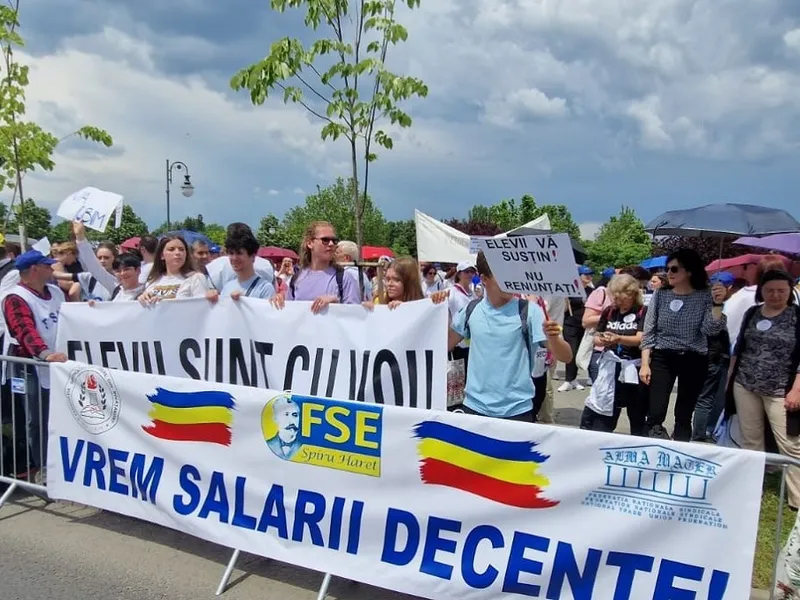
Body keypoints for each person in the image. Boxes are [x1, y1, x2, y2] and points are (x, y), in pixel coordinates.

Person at [447, 251, 572, 421]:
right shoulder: (471, 310)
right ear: (484, 279)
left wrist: (555, 338)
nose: (511, 281)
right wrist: (433, 307)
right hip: (474, 409)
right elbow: (443, 345)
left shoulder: (529, 311)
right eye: (503, 276)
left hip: (517, 411)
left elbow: (566, 357)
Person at [725, 269, 800, 509]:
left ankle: (796, 499)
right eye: (770, 290)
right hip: (746, 384)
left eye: (781, 290)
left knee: (790, 443)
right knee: (751, 439)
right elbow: (739, 348)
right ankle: (751, 487)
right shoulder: (752, 313)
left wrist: (797, 390)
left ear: (790, 292)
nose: (776, 295)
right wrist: (729, 379)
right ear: (761, 291)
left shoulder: (797, 316)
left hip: (781, 390)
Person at [640, 248, 727, 440]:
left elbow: (710, 330)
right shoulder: (661, 294)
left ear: (689, 271)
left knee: (683, 414)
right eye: (668, 269)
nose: (668, 273)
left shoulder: (705, 296)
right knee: (655, 410)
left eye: (674, 269)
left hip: (693, 357)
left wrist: (717, 305)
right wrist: (645, 363)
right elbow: (649, 330)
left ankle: (680, 450)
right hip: (663, 356)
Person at [0, 250, 68, 479]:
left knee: (60, 415)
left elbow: (73, 317)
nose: (52, 269)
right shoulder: (15, 298)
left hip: (59, 364)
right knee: (36, 418)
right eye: (47, 266)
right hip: (28, 367)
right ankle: (44, 470)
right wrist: (44, 353)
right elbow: (23, 331)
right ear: (35, 269)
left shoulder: (56, 292)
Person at [580, 274, 648, 435]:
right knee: (605, 408)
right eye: (614, 298)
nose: (617, 303)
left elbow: (641, 338)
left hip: (634, 366)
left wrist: (619, 339)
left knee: (637, 412)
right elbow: (596, 337)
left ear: (632, 295)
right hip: (611, 366)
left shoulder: (642, 311)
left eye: (621, 299)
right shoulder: (609, 311)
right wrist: (602, 340)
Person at [274, 221, 360, 312]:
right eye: (325, 240)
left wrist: (336, 303)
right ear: (310, 243)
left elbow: (354, 316)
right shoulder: (296, 278)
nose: (331, 244)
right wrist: (278, 300)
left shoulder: (344, 278)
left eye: (334, 241)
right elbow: (288, 313)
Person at [691, 271, 735, 441]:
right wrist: (717, 304)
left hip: (700, 355)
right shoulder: (715, 305)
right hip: (710, 356)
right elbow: (714, 327)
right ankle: (699, 434)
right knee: (705, 398)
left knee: (697, 397)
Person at [206, 223, 275, 291]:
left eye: (239, 253)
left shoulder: (216, 267)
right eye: (231, 253)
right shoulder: (265, 266)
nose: (234, 258)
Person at [138, 235, 206, 303]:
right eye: (171, 249)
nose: (178, 253)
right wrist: (143, 298)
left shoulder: (196, 278)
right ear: (161, 255)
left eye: (181, 249)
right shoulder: (152, 281)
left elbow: (202, 308)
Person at [558, 265, 594, 392]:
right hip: (570, 324)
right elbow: (564, 309)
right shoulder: (570, 289)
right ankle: (568, 380)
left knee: (580, 352)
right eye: (586, 275)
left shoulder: (591, 291)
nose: (589, 277)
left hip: (584, 325)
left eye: (590, 274)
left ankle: (573, 379)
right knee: (571, 352)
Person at [365, 256, 448, 308]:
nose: (389, 284)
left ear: (409, 281)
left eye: (396, 279)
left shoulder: (423, 307)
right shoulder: (379, 301)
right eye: (388, 279)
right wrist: (368, 312)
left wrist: (438, 299)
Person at [265, 395, 302, 460]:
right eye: (286, 414)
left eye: (295, 415)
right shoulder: (268, 444)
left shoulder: (303, 446)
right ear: (275, 419)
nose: (291, 421)